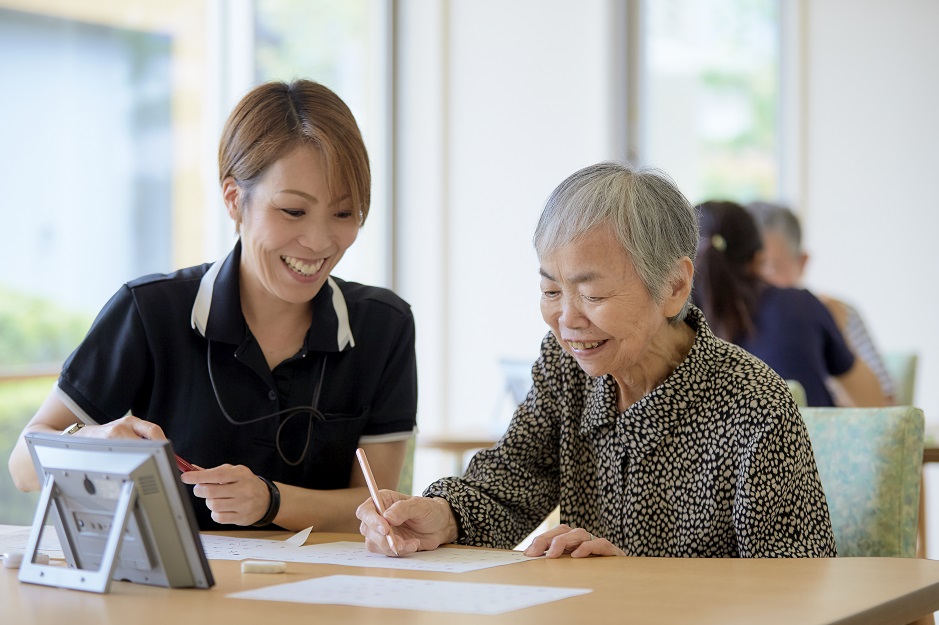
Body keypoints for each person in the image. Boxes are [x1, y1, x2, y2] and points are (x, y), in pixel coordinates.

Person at [356, 162, 837, 559]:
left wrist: (637, 579)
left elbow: (796, 581)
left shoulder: (752, 403)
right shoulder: (568, 369)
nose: (566, 319)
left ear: (673, 287)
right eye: (549, 290)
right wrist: (441, 514)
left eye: (592, 293)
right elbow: (511, 482)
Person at [8, 79, 417, 532]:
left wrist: (272, 501)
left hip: (322, 597)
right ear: (234, 199)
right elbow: (24, 465)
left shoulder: (385, 326)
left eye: (343, 213)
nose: (320, 242)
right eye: (293, 212)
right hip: (166, 598)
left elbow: (376, 505)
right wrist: (93, 439)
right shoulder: (149, 312)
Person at [693, 200, 887, 408]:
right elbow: (878, 409)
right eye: (768, 266)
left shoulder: (673, 323)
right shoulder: (803, 306)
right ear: (759, 260)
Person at [747, 201, 896, 403]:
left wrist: (838, 340)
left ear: (801, 263)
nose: (760, 285)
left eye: (770, 268)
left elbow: (887, 408)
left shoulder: (835, 312)